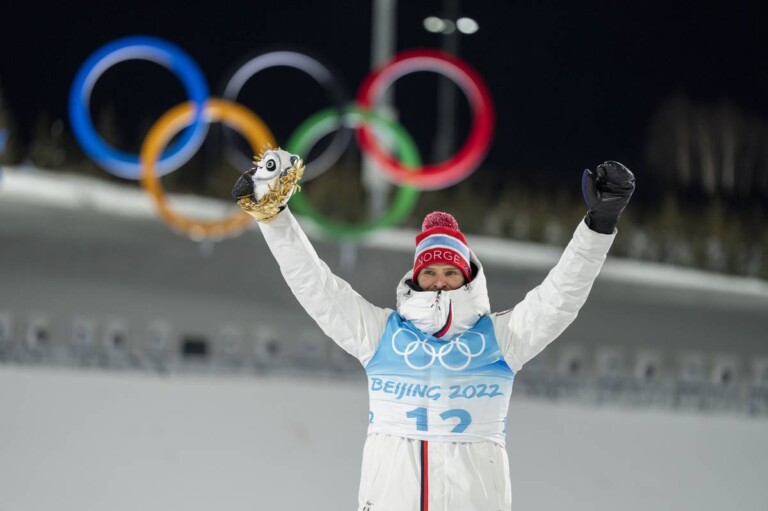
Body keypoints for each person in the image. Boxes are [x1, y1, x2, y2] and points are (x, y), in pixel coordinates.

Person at [232, 153, 635, 511]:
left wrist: (598, 227)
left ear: (466, 277)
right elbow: (317, 288)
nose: (440, 281)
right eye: (430, 272)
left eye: (449, 272)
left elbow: (559, 298)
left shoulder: (500, 338)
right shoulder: (380, 335)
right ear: (416, 276)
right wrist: (274, 217)